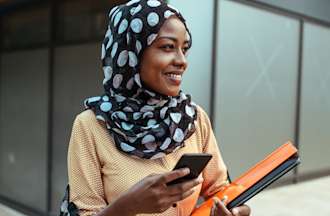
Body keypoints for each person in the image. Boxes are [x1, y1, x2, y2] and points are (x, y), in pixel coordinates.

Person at [59, 0, 251, 215]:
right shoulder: (92, 126)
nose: (182, 61)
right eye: (168, 47)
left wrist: (234, 207)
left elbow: (220, 188)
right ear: (131, 53)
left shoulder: (193, 118)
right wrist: (128, 205)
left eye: (184, 49)